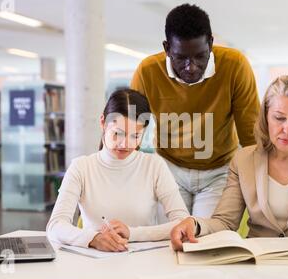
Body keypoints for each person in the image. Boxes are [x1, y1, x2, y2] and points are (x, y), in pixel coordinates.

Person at [170, 75, 288, 256]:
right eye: (279, 118)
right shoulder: (243, 159)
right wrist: (194, 224)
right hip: (257, 263)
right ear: (265, 116)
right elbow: (225, 222)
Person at [131, 3, 260, 218]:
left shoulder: (235, 65)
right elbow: (128, 129)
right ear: (167, 48)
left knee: (205, 242)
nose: (191, 67)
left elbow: (251, 136)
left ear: (210, 43)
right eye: (181, 58)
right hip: (169, 168)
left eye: (200, 56)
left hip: (218, 170)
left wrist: (262, 187)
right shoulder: (148, 71)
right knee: (169, 235)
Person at [47, 89, 189, 252]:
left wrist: (132, 233)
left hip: (143, 262)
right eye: (117, 134)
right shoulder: (81, 167)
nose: (125, 144)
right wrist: (92, 239)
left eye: (135, 136)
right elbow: (55, 225)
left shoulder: (154, 166)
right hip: (95, 261)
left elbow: (183, 222)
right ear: (103, 122)